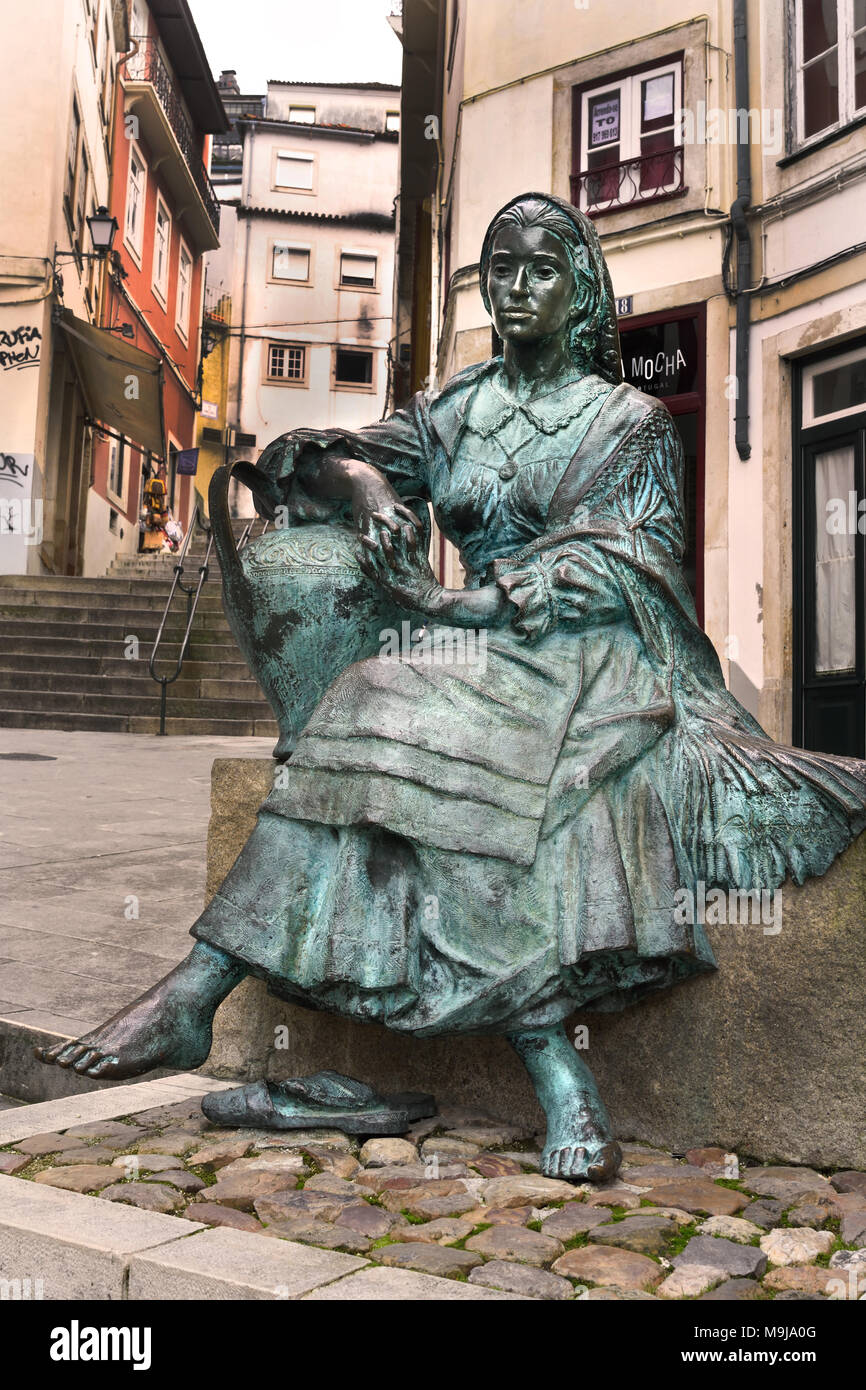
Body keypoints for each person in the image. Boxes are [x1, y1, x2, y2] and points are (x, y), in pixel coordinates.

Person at [37, 194, 866, 1182]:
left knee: (409, 715)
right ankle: (532, 1060)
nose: (515, 289)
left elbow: (631, 569)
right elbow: (320, 455)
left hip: (596, 657)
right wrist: (377, 487)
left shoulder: (629, 420)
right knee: (386, 699)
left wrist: (459, 603)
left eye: (540, 270)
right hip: (476, 649)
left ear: (580, 288)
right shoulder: (457, 411)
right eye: (498, 269)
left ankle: (218, 991)